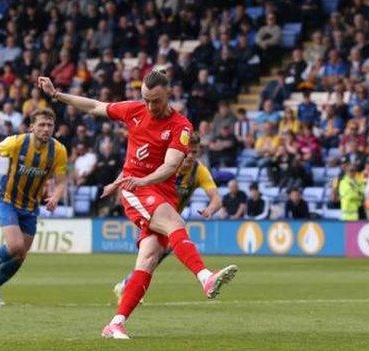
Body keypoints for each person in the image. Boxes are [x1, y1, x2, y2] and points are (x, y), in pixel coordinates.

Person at [37, 69, 237, 340]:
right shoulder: (134, 110)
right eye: (145, 99)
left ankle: (115, 324)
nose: (149, 105)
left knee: (149, 259)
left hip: (159, 191)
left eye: (155, 100)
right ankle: (205, 277)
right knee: (175, 223)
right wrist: (57, 95)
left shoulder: (182, 127)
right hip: (134, 190)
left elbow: (169, 167)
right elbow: (95, 105)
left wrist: (145, 182)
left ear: (168, 94)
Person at [112, 134, 222, 304]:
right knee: (153, 254)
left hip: (170, 221)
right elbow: (133, 170)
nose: (190, 156)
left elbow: (216, 198)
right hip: (151, 212)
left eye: (194, 152)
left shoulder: (199, 171)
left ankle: (127, 286)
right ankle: (128, 290)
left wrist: (210, 209)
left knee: (153, 256)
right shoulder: (166, 164)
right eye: (187, 152)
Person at [0, 108, 68, 306]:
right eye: (41, 125)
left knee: (20, 256)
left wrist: (56, 196)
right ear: (31, 127)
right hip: (7, 199)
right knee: (16, 245)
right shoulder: (17, 142)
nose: (46, 129)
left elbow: (61, 181)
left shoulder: (59, 150)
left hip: (30, 205)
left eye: (49, 125)